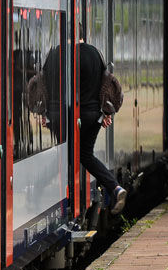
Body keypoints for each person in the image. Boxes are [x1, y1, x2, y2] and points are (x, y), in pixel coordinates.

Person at [39, 40, 127, 214]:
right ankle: (115, 188)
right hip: (91, 115)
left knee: (66, 153)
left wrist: (45, 113)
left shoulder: (55, 53)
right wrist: (106, 113)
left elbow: (44, 84)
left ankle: (40, 189)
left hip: (60, 115)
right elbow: (105, 84)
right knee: (84, 155)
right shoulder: (95, 53)